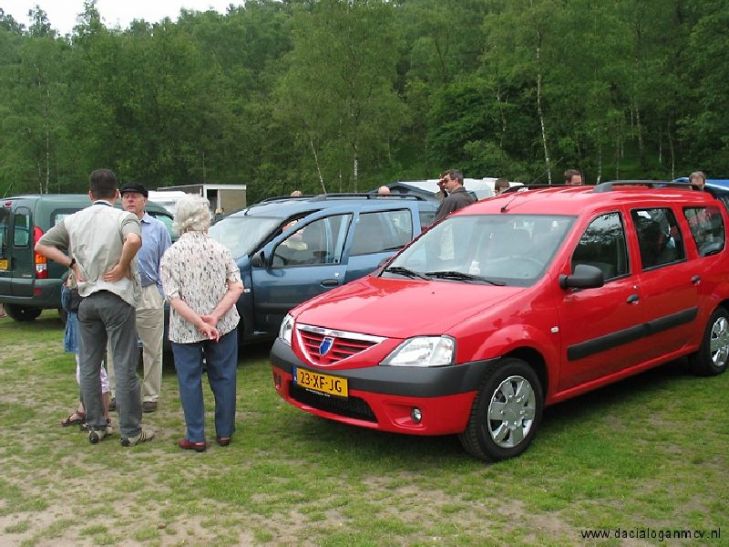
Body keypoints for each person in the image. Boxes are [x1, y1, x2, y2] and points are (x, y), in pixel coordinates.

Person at [35, 168, 154, 446]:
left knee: (89, 365)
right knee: (124, 365)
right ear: (117, 194)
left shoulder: (74, 220)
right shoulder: (123, 217)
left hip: (86, 300)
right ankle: (131, 430)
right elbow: (134, 240)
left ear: (90, 194)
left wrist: (71, 264)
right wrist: (122, 266)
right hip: (117, 298)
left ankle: (97, 424)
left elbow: (41, 245)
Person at [160, 195, 244, 452]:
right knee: (224, 376)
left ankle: (196, 436)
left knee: (189, 380)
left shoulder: (171, 255)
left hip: (185, 329)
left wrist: (200, 322)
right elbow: (237, 287)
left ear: (180, 220)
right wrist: (214, 318)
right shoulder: (221, 249)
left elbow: (173, 297)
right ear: (205, 218)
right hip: (223, 324)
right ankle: (224, 432)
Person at [107, 183, 171, 414]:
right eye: (126, 197)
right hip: (119, 292)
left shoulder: (158, 228)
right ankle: (116, 393)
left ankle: (151, 395)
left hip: (148, 292)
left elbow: (166, 261)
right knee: (115, 345)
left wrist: (161, 292)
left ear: (145, 200)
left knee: (152, 348)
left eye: (135, 197)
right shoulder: (113, 225)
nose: (130, 200)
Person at [60, 272, 112, 433]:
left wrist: (70, 287)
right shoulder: (74, 272)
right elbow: (67, 304)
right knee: (84, 372)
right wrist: (68, 285)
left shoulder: (90, 274)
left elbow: (72, 304)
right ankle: (84, 410)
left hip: (87, 330)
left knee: (94, 372)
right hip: (78, 329)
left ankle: (104, 416)